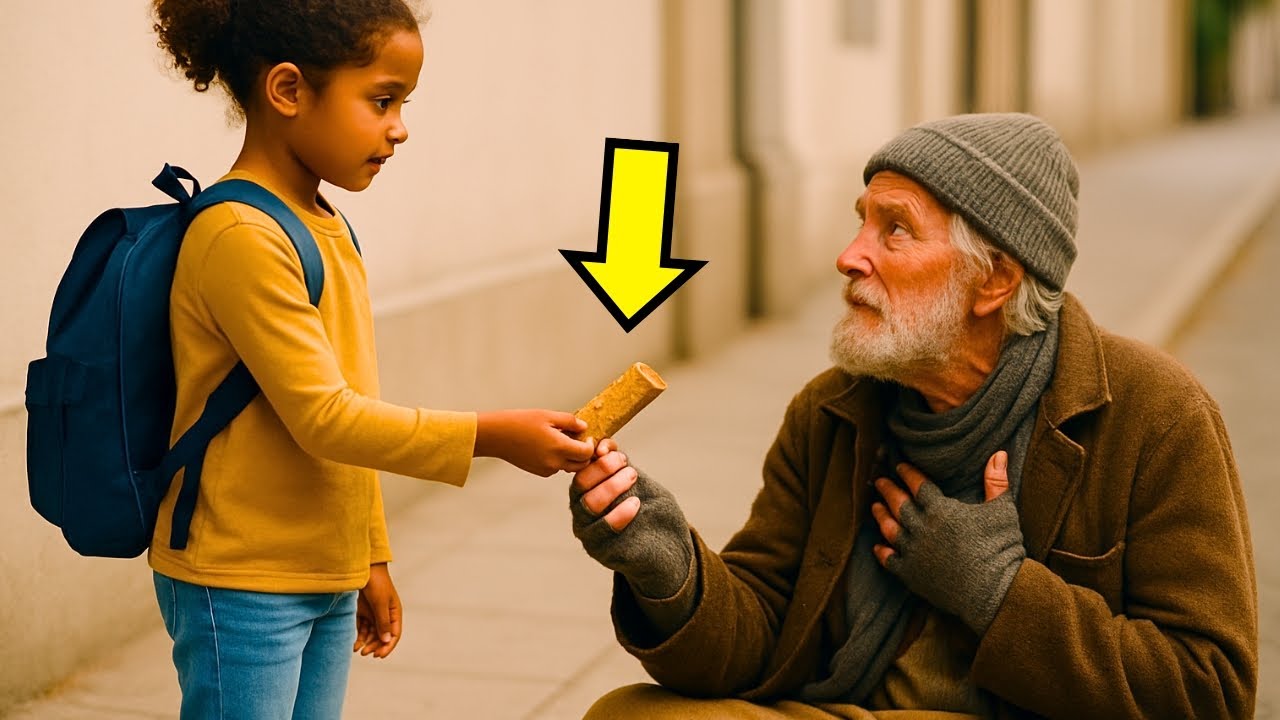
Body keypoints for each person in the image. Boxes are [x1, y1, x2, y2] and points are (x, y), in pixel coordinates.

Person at [569, 113, 1258, 719]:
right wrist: (671, 570)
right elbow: (763, 631)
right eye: (862, 220)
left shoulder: (1154, 414)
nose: (849, 257)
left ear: (994, 279)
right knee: (627, 716)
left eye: (895, 229)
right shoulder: (835, 409)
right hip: (847, 706)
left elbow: (1211, 691)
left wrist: (997, 589)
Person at [146, 2, 595, 718]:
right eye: (382, 101)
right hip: (241, 576)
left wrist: (368, 556)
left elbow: (352, 401)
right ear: (288, 90)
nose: (400, 127)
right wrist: (490, 436)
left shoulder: (323, 225)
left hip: (322, 568)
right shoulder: (241, 235)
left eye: (403, 104)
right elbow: (325, 418)